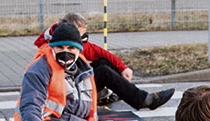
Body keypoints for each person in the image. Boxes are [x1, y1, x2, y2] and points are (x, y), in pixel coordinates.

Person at [35, 14, 174, 111]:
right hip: (67, 93)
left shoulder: (62, 39)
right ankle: (144, 100)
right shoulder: (52, 48)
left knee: (103, 62)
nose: (83, 38)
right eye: (81, 35)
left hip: (72, 84)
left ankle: (112, 94)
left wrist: (123, 68)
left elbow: (98, 52)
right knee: (103, 73)